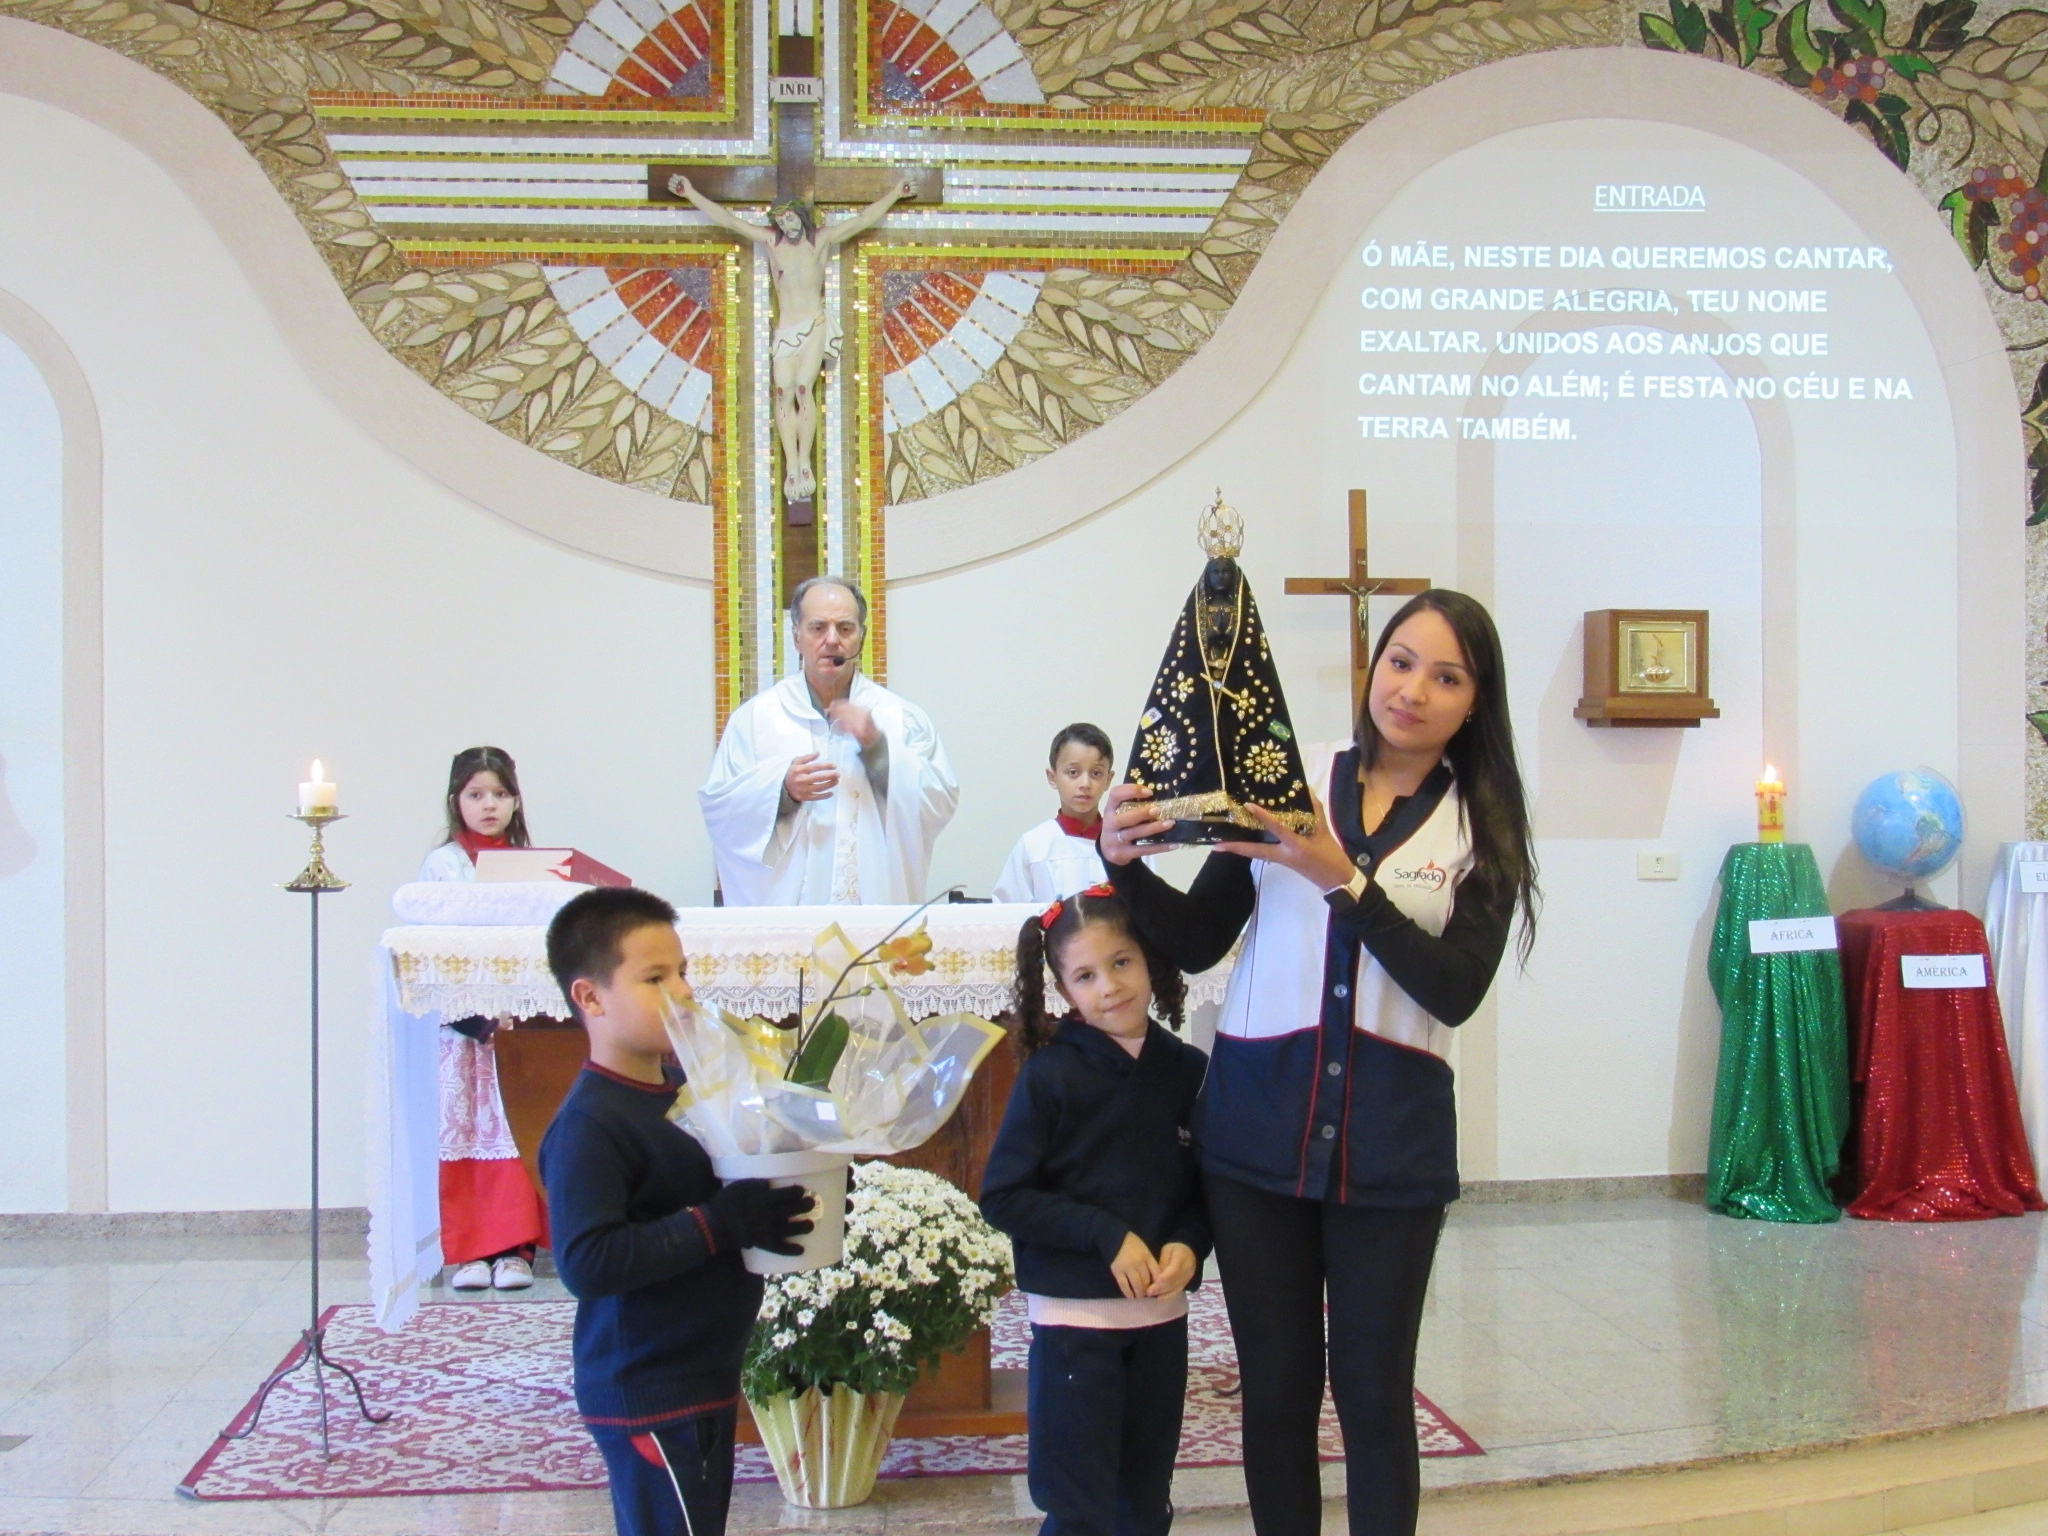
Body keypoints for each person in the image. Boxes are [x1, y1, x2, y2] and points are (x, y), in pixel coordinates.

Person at [1097, 590, 1538, 1536]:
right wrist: (1125, 864)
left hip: (1391, 1149)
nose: (1413, 689)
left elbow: (1453, 988)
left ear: (1474, 703)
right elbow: (1201, 938)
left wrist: (1342, 878)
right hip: (1256, 1135)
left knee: (1376, 1399)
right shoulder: (1290, 782)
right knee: (1278, 1395)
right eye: (1401, 661)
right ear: (1374, 666)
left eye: (1446, 676)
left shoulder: (1481, 825)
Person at [540, 886, 815, 1536]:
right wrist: (720, 1223)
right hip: (646, 1388)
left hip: (700, 1371)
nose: (683, 991)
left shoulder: (683, 1094)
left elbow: (717, 1193)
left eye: (683, 971)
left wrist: (793, 1185)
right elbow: (588, 1260)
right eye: (654, 977)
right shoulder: (591, 1123)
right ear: (590, 997)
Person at [981, 885, 1210, 1536]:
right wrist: (1104, 1235)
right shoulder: (1050, 1076)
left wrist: (1190, 1244)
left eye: (1121, 963)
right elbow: (1004, 1195)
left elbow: (1204, 1192)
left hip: (1161, 1319)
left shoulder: (1187, 1069)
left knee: (1144, 1499)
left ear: (1149, 960)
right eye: (1085, 975)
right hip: (1075, 1324)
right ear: (1062, 989)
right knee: (1079, 1503)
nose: (1108, 986)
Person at [699, 575, 959, 905]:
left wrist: (878, 749)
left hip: (874, 906)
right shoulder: (756, 719)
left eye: (846, 628)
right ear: (796, 637)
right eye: (818, 627)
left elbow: (939, 801)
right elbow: (720, 807)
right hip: (788, 912)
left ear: (861, 637)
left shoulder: (900, 718)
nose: (832, 640)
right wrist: (781, 790)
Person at [667, 175, 916, 501]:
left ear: (801, 215)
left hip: (814, 325)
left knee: (802, 388)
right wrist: (691, 192)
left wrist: (896, 193)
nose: (787, 223)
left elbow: (863, 220)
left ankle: (805, 463)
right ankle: (793, 463)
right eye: (781, 219)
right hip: (786, 330)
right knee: (783, 391)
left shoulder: (821, 241)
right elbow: (728, 220)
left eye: (791, 216)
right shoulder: (772, 243)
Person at [418, 745, 545, 1291]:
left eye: (499, 794)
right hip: (468, 1026)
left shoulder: (533, 864)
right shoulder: (442, 865)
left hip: (516, 1019)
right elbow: (434, 947)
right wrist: (474, 1014)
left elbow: (539, 939)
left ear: (515, 801)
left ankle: (516, 1251)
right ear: (456, 801)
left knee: (518, 1128)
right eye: (476, 794)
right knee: (467, 1127)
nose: (488, 804)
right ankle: (470, 1251)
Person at [993, 724, 1114, 904]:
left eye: (1096, 773)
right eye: (1073, 772)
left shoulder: (1128, 844)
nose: (1085, 783)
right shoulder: (1034, 845)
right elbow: (1008, 913)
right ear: (1052, 777)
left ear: (1108, 780)